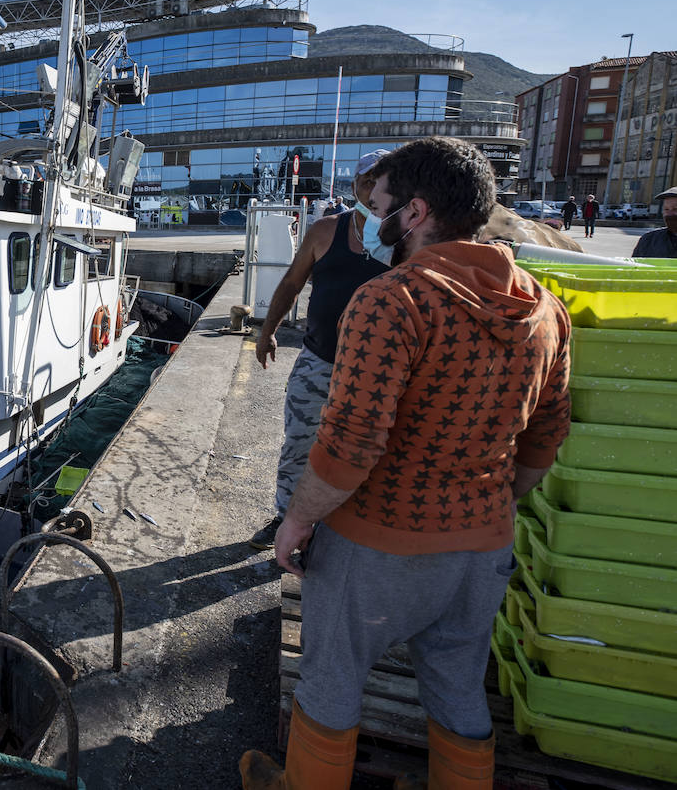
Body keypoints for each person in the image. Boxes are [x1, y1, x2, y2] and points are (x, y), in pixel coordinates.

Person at [240, 137, 571, 790]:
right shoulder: (544, 308)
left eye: (381, 203)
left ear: (414, 213)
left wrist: (298, 520)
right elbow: (544, 439)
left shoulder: (393, 299)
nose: (373, 215)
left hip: (376, 545)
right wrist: (493, 505)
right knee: (456, 690)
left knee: (331, 682)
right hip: (481, 549)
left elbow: (352, 442)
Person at [249, 150, 391, 550]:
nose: (374, 191)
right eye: (368, 182)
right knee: (299, 444)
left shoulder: (406, 242)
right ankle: (284, 517)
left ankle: (340, 528)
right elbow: (292, 283)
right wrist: (267, 332)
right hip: (319, 361)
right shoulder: (326, 231)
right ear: (357, 186)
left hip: (376, 374)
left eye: (385, 184)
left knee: (368, 453)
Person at [631, 186, 677, 258]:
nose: (669, 214)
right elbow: (635, 267)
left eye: (675, 209)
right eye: (666, 209)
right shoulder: (649, 240)